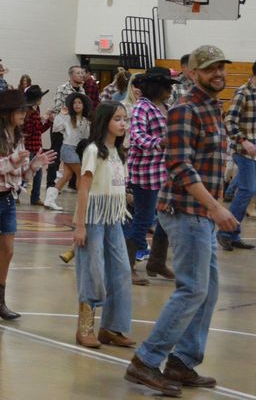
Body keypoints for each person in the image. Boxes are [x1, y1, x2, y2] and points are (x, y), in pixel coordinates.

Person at [126, 45, 239, 396]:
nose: (218, 73)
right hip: (184, 211)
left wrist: (215, 206)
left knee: (208, 291)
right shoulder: (185, 110)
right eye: (210, 69)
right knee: (192, 289)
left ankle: (182, 362)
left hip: (202, 213)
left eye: (221, 66)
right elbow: (180, 166)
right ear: (192, 73)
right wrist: (217, 207)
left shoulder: (212, 108)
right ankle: (146, 361)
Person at [0, 89, 55, 323]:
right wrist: (14, 160)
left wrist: (34, 165)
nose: (25, 113)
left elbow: (18, 174)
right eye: (20, 109)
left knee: (8, 250)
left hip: (8, 198)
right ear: (7, 113)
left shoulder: (16, 135)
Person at [71, 100, 135, 349]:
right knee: (93, 270)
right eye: (117, 119)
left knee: (121, 270)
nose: (123, 124)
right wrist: (80, 225)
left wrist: (125, 195)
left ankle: (111, 328)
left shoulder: (119, 152)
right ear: (104, 121)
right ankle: (84, 328)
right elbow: (83, 187)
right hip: (93, 218)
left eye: (125, 119)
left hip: (113, 218)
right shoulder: (93, 150)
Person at [123, 67, 180, 285]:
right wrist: (159, 142)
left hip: (164, 171)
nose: (170, 90)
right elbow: (137, 136)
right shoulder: (142, 107)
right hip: (145, 171)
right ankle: (127, 265)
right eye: (167, 86)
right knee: (144, 219)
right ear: (157, 86)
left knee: (166, 217)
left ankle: (156, 261)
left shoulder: (165, 107)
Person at [221, 59, 256, 251]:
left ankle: (233, 234)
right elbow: (229, 120)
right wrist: (243, 141)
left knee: (247, 189)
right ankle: (226, 232)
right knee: (248, 189)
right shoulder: (243, 92)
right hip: (244, 148)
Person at [45, 93, 92, 211]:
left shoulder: (86, 120)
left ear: (84, 105)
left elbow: (87, 137)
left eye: (79, 103)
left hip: (78, 150)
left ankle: (49, 200)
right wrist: (61, 114)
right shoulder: (67, 117)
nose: (77, 105)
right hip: (67, 148)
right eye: (75, 103)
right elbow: (56, 128)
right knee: (81, 174)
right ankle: (83, 202)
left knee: (66, 176)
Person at [48, 65, 87, 192]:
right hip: (61, 128)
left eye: (82, 73)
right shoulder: (62, 88)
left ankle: (69, 185)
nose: (82, 75)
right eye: (78, 73)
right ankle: (50, 185)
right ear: (71, 75)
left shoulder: (82, 90)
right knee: (55, 156)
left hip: (74, 130)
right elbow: (58, 107)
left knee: (72, 162)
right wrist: (72, 113)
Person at [22, 85, 54, 206]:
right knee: (25, 174)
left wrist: (48, 121)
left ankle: (35, 198)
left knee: (38, 174)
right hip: (29, 147)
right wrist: (43, 121)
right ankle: (15, 194)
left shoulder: (36, 110)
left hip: (36, 147)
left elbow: (38, 130)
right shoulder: (29, 112)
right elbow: (30, 130)